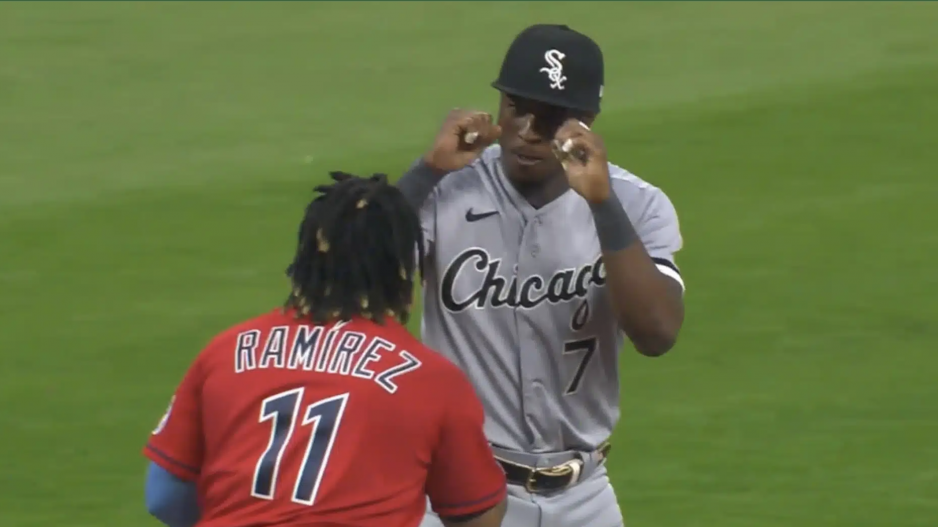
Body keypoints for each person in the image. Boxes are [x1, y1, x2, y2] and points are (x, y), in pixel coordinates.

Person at [396, 24, 686, 527]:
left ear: (586, 122)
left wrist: (602, 204)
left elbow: (657, 333)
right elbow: (353, 274)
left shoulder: (636, 204)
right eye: (517, 108)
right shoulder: (447, 190)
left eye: (549, 118)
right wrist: (425, 172)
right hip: (459, 491)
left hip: (584, 497)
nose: (528, 130)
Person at [142, 172, 508, 527]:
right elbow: (475, 514)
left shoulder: (225, 352)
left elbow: (163, 496)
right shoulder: (432, 379)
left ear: (306, 255)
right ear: (401, 266)